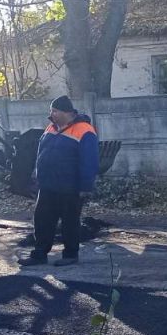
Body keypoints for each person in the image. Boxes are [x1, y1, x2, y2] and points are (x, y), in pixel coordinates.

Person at [19, 95, 99, 267]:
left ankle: (70, 254)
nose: (51, 114)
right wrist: (36, 174)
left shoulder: (85, 130)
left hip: (70, 187)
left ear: (66, 112)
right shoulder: (51, 128)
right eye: (51, 111)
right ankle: (39, 254)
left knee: (70, 222)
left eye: (55, 111)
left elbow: (90, 161)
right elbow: (41, 152)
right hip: (47, 186)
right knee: (42, 221)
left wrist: (85, 186)